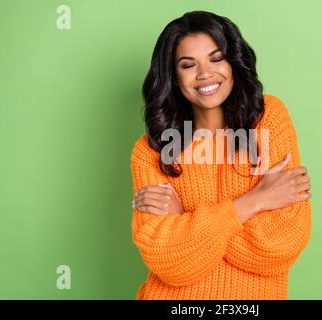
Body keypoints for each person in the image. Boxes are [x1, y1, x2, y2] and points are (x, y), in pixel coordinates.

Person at [130, 10, 312, 300]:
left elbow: (281, 244)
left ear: (233, 63)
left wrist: (187, 223)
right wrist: (257, 200)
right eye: (188, 65)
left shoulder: (269, 121)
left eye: (216, 58)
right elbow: (170, 264)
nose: (205, 73)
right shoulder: (151, 150)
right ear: (175, 78)